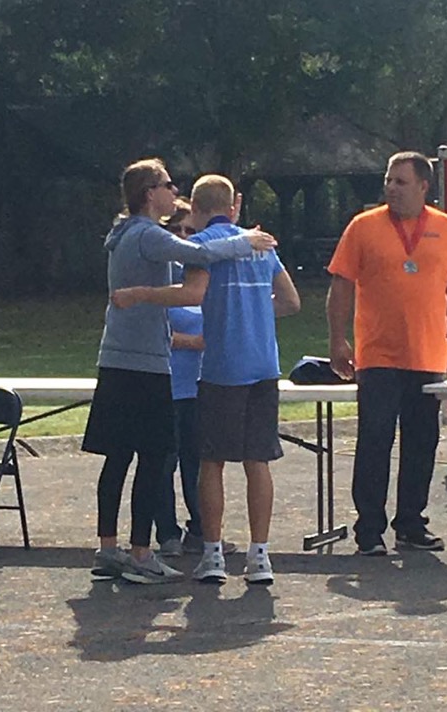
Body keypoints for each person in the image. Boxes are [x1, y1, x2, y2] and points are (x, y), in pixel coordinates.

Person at [82, 158, 277, 584]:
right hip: (145, 361)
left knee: (118, 456)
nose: (175, 192)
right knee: (154, 456)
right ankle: (140, 553)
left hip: (116, 357)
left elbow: (179, 277)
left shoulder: (125, 234)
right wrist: (246, 241)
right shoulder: (148, 233)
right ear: (149, 193)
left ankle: (108, 548)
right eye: (168, 185)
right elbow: (200, 255)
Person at [326, 151, 447, 556]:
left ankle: (411, 523)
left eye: (400, 182)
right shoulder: (363, 226)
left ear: (423, 186)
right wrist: (338, 340)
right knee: (374, 441)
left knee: (421, 443)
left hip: (427, 355)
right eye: (388, 181)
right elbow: (341, 285)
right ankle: (369, 529)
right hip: (378, 355)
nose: (391, 188)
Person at [155, 199, 237, 558]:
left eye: (190, 230)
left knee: (199, 462)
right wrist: (195, 342)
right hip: (167, 383)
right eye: (176, 230)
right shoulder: (158, 275)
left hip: (201, 384)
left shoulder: (204, 273)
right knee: (164, 462)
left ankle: (202, 530)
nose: (183, 237)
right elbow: (153, 331)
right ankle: (166, 533)